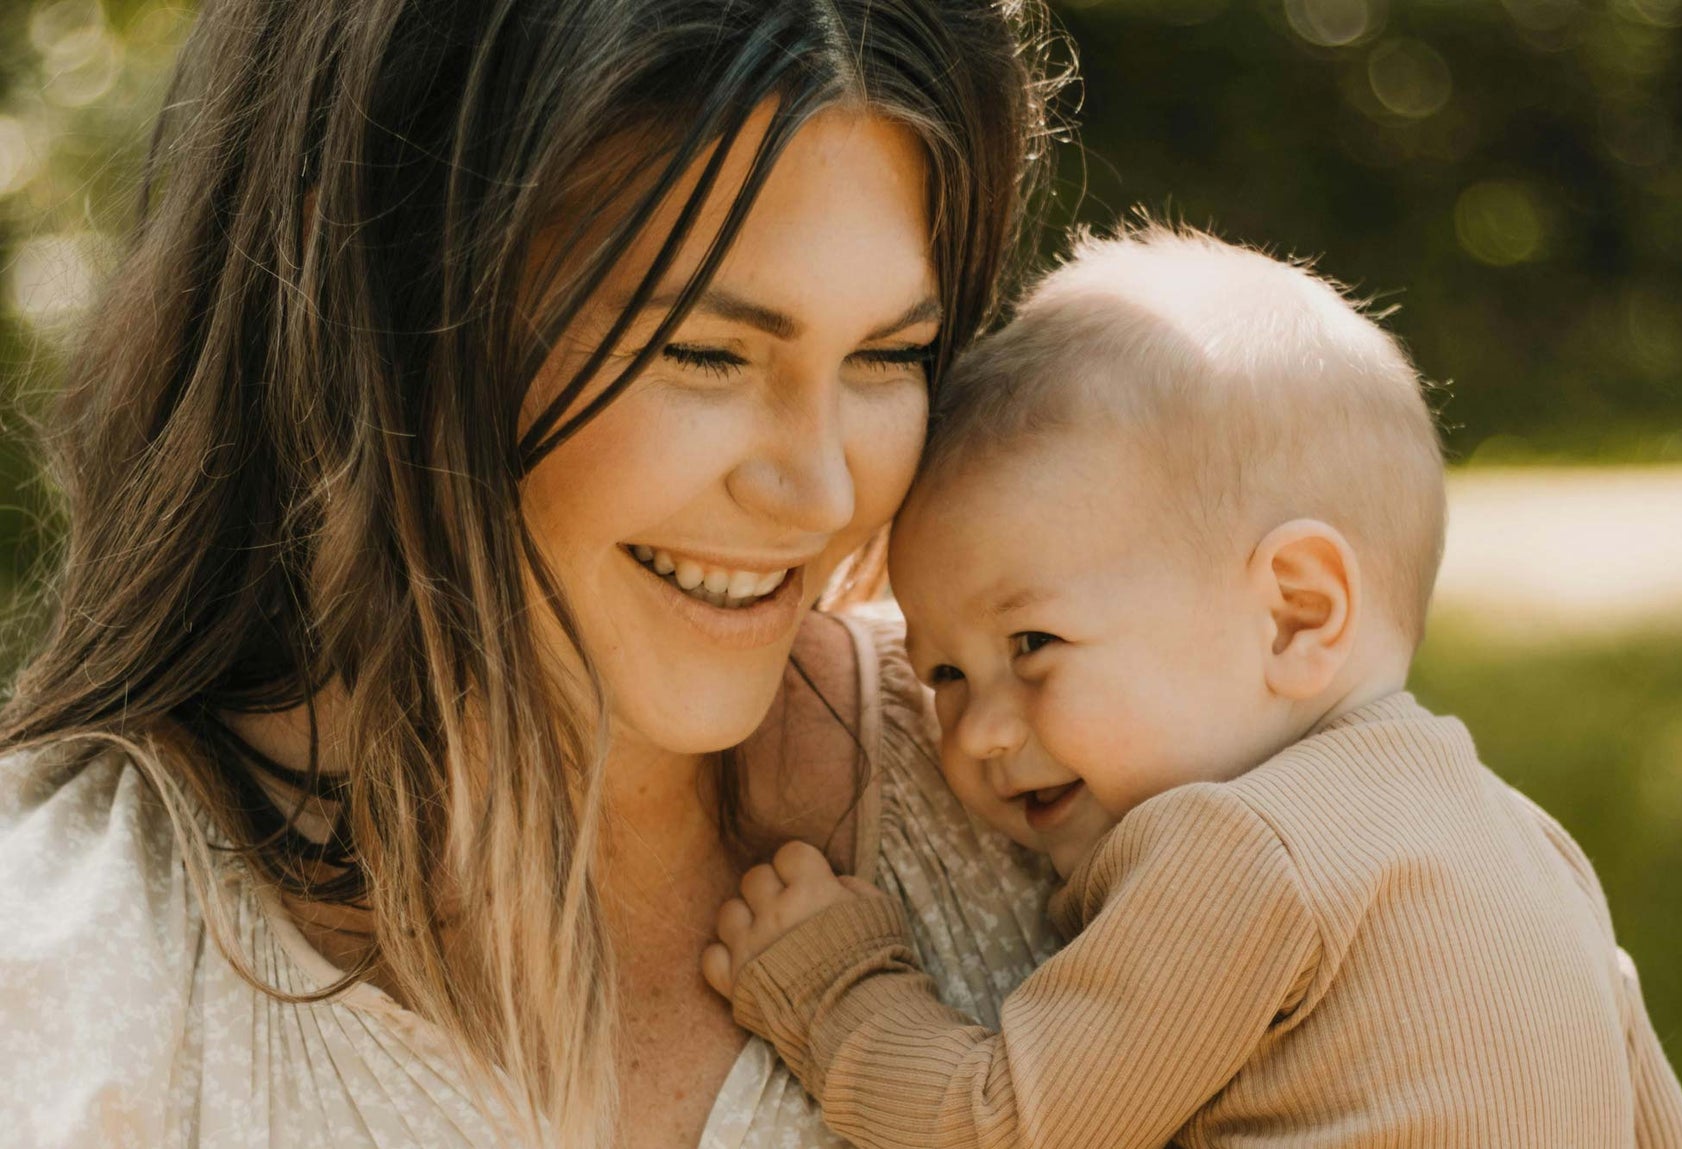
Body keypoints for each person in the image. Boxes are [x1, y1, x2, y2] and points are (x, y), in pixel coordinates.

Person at [0, 2, 1067, 1146]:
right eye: (705, 354)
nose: (822, 494)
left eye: (888, 355)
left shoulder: (1051, 798)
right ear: (384, 296)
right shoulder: (67, 965)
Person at [701, 227, 1682, 1148]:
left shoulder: (1243, 850)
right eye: (946, 674)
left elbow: (1002, 1127)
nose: (982, 734)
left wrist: (835, 985)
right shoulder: (1533, 847)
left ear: (1296, 614)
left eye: (1035, 643)